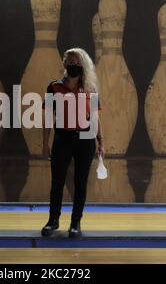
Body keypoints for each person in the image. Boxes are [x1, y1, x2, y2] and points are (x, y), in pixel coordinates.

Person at [41, 47, 105, 238]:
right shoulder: (53, 87)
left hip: (86, 139)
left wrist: (101, 142)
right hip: (62, 138)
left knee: (80, 182)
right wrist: (45, 143)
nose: (74, 66)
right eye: (70, 62)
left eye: (77, 63)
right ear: (64, 64)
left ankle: (75, 223)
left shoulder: (90, 89)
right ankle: (53, 221)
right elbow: (47, 117)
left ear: (83, 66)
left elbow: (95, 118)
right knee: (57, 181)